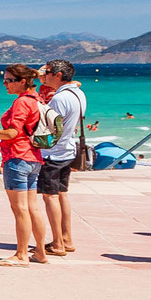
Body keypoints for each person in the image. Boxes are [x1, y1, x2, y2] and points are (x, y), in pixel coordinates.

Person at [0, 64, 48, 268]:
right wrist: (0, 136)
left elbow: (13, 133)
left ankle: (22, 254)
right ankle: (41, 252)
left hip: (17, 158)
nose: (5, 84)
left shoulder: (21, 102)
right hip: (34, 157)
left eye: (9, 80)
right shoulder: (37, 98)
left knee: (20, 209)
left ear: (22, 81)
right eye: (4, 80)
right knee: (33, 207)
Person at [37, 59, 86, 257]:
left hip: (53, 153)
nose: (45, 75)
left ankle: (57, 243)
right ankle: (66, 238)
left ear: (58, 75)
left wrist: (33, 142)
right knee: (62, 194)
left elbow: (51, 129)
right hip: (67, 149)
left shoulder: (59, 99)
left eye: (48, 72)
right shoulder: (78, 93)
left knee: (50, 197)